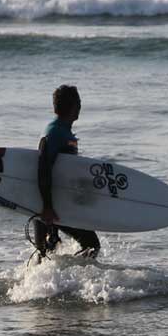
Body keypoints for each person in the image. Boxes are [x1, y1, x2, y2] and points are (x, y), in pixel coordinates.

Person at [33, 84, 100, 261]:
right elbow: (43, 169)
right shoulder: (55, 133)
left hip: (54, 204)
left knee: (48, 252)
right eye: (79, 102)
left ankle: (59, 283)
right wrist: (46, 207)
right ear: (74, 106)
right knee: (91, 245)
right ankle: (72, 279)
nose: (80, 106)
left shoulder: (61, 130)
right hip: (51, 206)